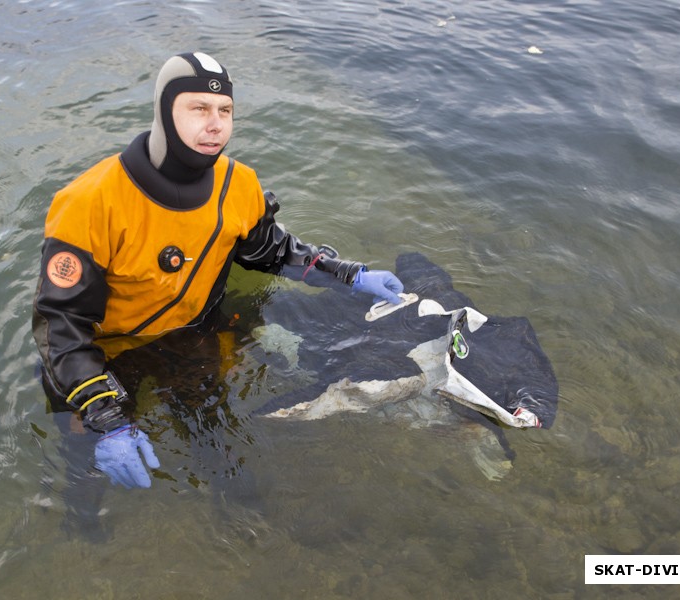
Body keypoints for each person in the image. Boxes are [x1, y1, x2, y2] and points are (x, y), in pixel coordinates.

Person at [32, 51, 404, 490]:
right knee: (84, 461)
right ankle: (83, 519)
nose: (215, 124)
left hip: (193, 335)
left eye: (225, 110)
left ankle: (231, 501)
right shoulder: (90, 203)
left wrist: (348, 275)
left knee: (213, 431)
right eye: (198, 108)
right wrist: (106, 416)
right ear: (164, 113)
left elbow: (275, 251)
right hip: (103, 356)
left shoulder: (238, 184)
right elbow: (61, 326)